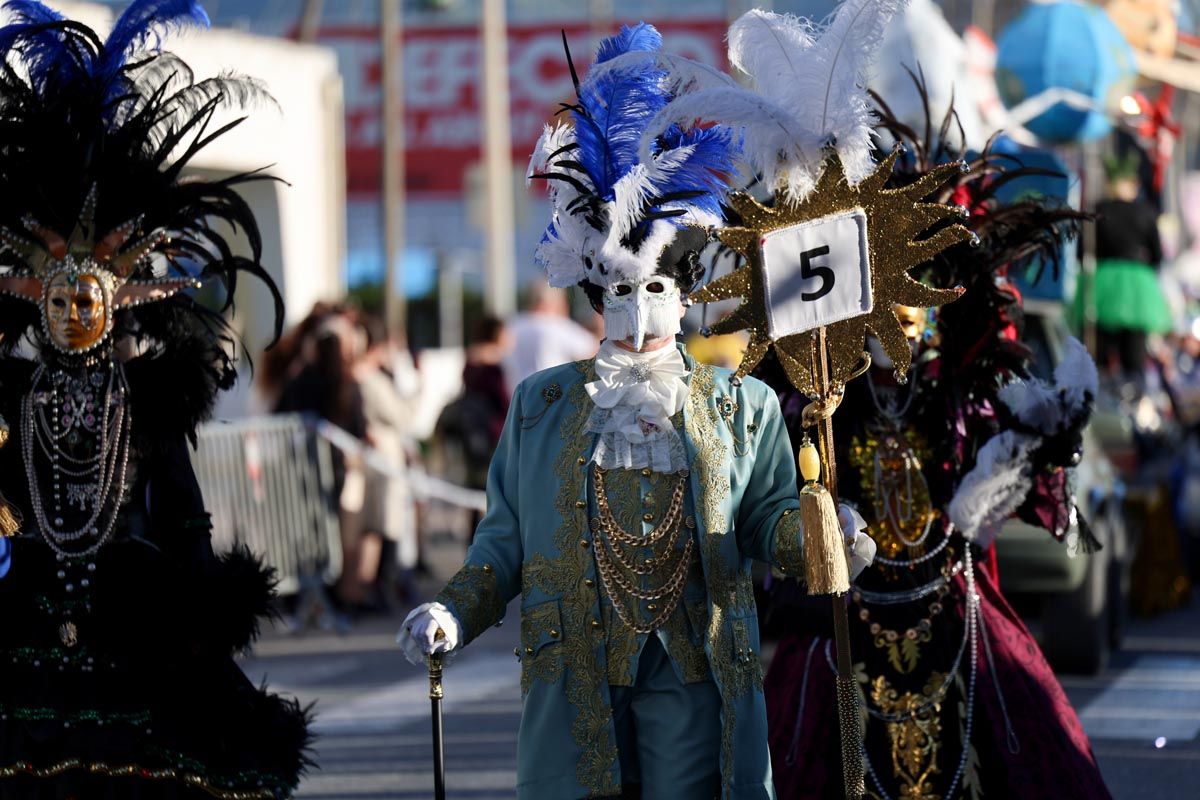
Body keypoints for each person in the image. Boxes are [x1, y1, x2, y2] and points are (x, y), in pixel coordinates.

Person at [397, 25, 873, 799]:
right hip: (574, 673)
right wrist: (452, 612)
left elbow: (769, 523)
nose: (639, 311)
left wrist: (827, 533)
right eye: (621, 292)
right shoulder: (541, 405)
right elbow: (504, 542)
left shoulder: (741, 405)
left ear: (683, 294)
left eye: (654, 289)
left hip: (696, 674)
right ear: (594, 292)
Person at [759, 92, 1114, 800]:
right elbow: (777, 509)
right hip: (849, 626)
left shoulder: (961, 400)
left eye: (920, 316)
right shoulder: (826, 404)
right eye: (891, 314)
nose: (906, 334)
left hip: (954, 613)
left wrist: (1037, 453)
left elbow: (1017, 492)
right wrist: (824, 527)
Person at [0, 2, 309, 797]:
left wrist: (203, 601)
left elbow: (181, 507)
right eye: (58, 301)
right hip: (28, 608)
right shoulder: (16, 394)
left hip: (133, 611)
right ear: (33, 300)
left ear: (120, 300)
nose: (71, 314)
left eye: (86, 299)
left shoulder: (146, 398)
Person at [1072, 151, 1172, 383]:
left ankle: (1101, 394)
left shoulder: (1098, 209)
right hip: (1137, 285)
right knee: (1134, 349)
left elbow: (1081, 251)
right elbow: (1157, 255)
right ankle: (1134, 395)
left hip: (1101, 282)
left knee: (1098, 347)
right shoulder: (1145, 212)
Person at [354, 313, 418, 609]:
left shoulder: (360, 377)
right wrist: (418, 392)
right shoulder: (372, 379)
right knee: (385, 524)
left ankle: (378, 586)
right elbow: (401, 415)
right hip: (384, 460)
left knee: (376, 524)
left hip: (373, 457)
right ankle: (381, 587)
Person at [504, 280, 598, 388]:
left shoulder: (512, 325)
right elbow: (594, 351)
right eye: (563, 303)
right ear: (550, 302)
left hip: (516, 399)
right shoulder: (554, 325)